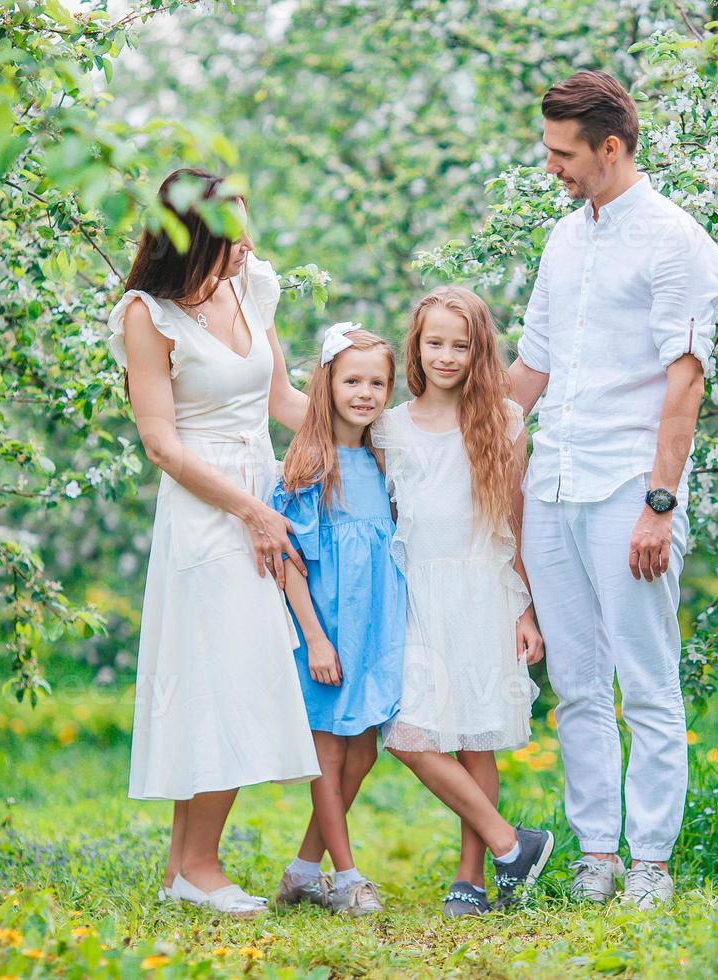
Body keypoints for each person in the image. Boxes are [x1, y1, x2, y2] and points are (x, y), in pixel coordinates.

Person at [507, 71, 718, 908]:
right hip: (553, 481)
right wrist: (448, 439)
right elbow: (531, 368)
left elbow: (686, 384)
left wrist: (659, 506)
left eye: (564, 154)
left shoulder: (677, 241)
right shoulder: (564, 240)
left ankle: (651, 863)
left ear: (611, 146)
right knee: (575, 683)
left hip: (629, 486)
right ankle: (597, 852)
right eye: (547, 152)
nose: (553, 168)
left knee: (645, 680)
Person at [107, 168, 320, 917]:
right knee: (218, 678)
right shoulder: (148, 315)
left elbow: (285, 401)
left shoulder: (249, 285)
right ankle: (198, 866)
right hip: (205, 508)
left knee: (234, 671)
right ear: (190, 239)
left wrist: (371, 436)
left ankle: (183, 870)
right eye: (230, 236)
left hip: (258, 488)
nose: (248, 246)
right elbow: (160, 443)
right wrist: (249, 513)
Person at [372, 286, 553, 917]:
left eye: (461, 343)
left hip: (483, 590)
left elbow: (515, 518)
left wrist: (525, 609)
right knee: (409, 734)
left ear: (479, 350)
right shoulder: (387, 427)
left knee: (476, 739)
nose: (446, 355)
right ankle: (514, 844)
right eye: (434, 342)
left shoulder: (500, 420)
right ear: (416, 347)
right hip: (417, 595)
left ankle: (472, 879)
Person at [269, 324, 405, 917]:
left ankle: (302, 871)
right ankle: (346, 878)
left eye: (378, 382)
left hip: (376, 625)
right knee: (328, 750)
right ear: (326, 383)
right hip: (326, 627)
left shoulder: (383, 458)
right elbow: (291, 563)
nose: (365, 393)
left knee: (365, 749)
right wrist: (315, 638)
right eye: (352, 380)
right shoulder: (310, 462)